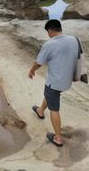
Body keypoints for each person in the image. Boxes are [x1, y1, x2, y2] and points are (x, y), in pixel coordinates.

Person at [28, 19, 78, 147]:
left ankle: (58, 138)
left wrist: (32, 70)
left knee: (54, 109)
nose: (48, 34)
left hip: (55, 82)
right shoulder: (73, 39)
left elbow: (39, 62)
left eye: (48, 32)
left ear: (50, 30)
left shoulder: (50, 44)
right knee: (51, 96)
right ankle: (40, 110)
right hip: (67, 80)